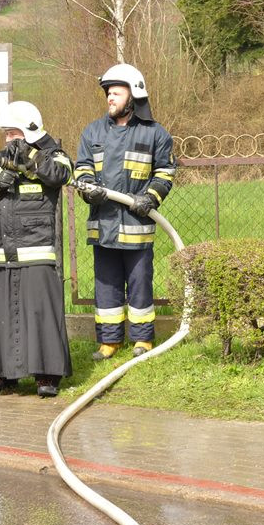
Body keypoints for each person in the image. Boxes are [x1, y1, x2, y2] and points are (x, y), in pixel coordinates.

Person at [0, 101, 74, 398]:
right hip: (1, 253)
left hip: (36, 250)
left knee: (40, 314)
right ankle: (3, 375)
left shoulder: (52, 155)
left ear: (29, 131)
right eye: (6, 134)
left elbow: (61, 175)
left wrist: (29, 159)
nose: (7, 139)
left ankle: (47, 376)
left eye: (12, 133)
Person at [75, 64, 176, 360]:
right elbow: (83, 168)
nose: (110, 97)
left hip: (136, 224)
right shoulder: (92, 132)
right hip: (103, 224)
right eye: (108, 93)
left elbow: (165, 172)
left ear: (134, 95)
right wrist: (88, 189)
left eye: (116, 93)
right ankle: (109, 341)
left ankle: (142, 339)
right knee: (105, 286)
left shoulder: (155, 133)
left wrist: (150, 198)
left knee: (140, 284)